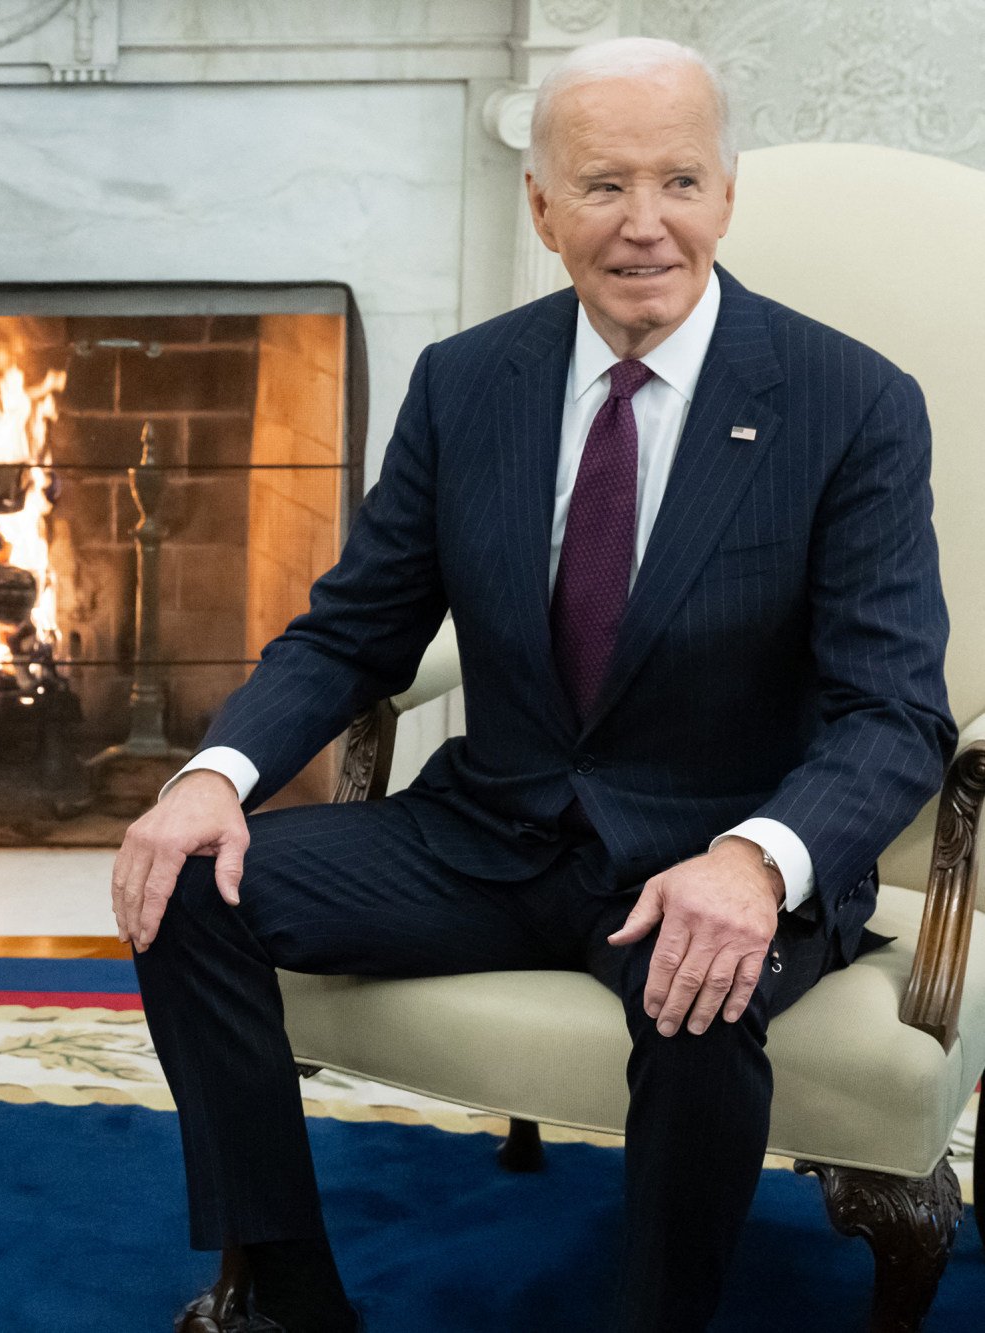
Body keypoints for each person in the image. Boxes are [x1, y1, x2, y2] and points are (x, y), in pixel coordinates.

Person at [114, 36, 952, 1333]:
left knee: (699, 994)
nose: (641, 226)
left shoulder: (846, 404)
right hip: (490, 831)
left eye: (676, 181)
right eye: (601, 185)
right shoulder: (467, 384)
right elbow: (352, 634)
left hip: (708, 847)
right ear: (539, 206)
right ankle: (280, 1293)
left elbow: (891, 707)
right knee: (183, 887)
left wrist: (752, 863)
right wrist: (209, 778)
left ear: (723, 195)